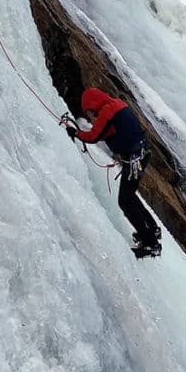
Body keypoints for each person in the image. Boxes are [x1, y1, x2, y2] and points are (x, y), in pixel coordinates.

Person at [66, 87, 162, 257]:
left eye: (90, 111)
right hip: (140, 156)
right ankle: (152, 230)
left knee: (125, 201)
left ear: (93, 104)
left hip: (134, 161)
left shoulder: (107, 111)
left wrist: (76, 133)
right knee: (130, 196)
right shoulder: (116, 105)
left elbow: (95, 136)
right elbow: (110, 132)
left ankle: (151, 244)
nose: (91, 115)